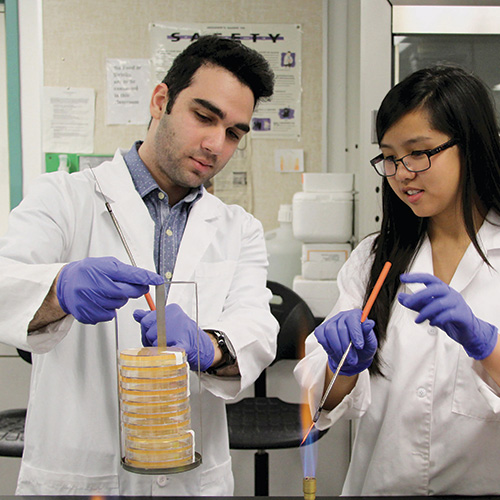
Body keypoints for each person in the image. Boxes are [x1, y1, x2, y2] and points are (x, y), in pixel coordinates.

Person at [0, 35, 278, 496]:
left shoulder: (239, 229)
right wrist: (58, 288)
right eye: (203, 116)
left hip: (193, 477)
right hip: (83, 471)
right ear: (160, 100)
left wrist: (209, 347)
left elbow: (256, 326)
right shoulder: (65, 198)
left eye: (233, 133)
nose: (215, 144)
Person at [295, 65, 500, 496]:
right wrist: (340, 365)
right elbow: (322, 400)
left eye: (418, 152)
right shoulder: (373, 260)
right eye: (389, 157)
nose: (402, 172)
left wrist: (488, 346)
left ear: (473, 147)